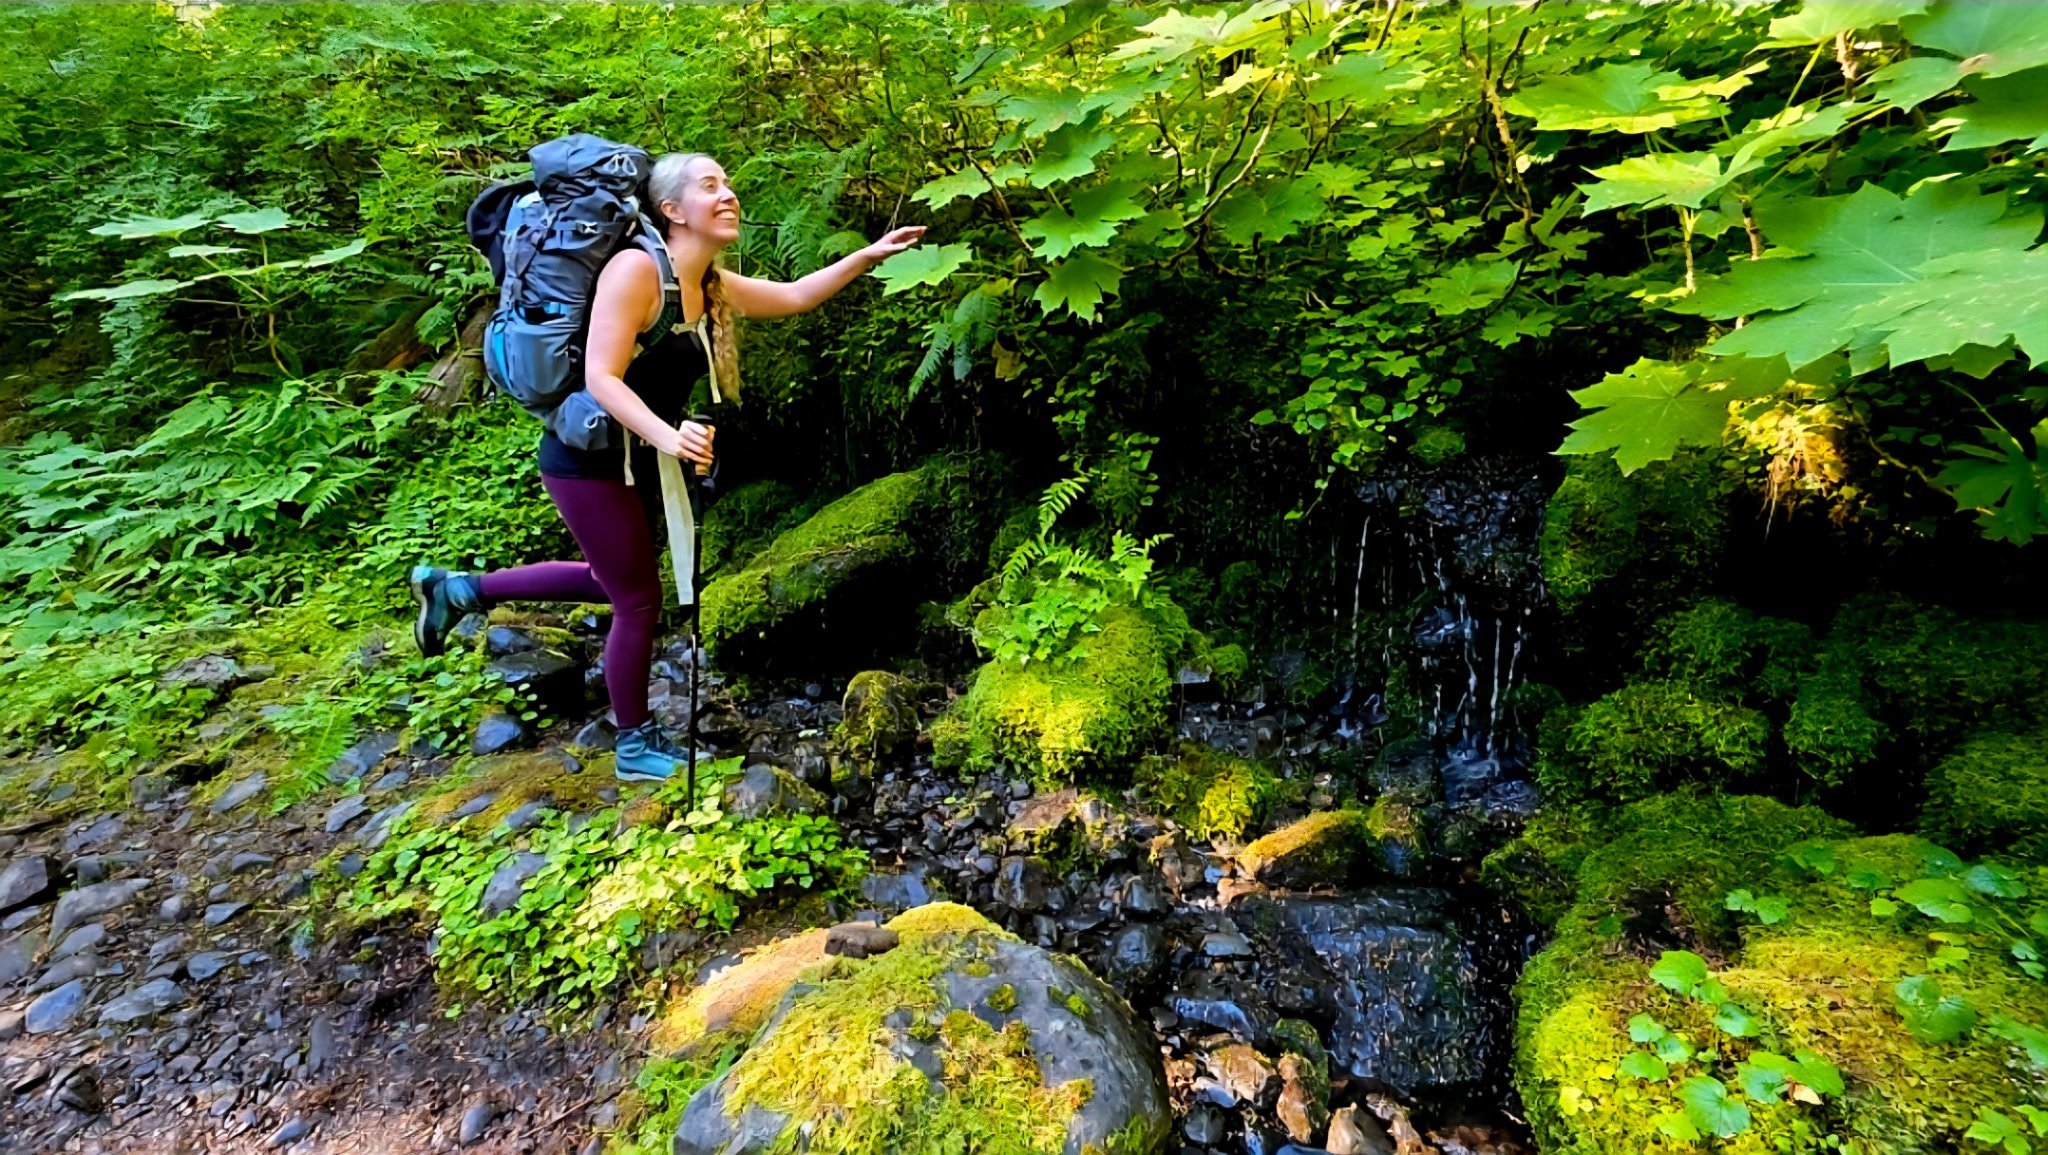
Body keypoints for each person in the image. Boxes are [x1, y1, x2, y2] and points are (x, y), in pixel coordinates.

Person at [409, 151, 925, 783]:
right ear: (673, 210)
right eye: (711, 185)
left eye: (728, 182)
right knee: (637, 600)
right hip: (584, 461)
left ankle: (460, 589)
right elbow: (601, 377)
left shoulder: (702, 283)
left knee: (612, 581)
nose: (728, 193)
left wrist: (867, 255)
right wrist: (669, 437)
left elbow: (792, 296)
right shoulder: (635, 271)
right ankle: (633, 744)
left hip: (627, 460)